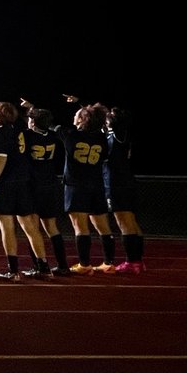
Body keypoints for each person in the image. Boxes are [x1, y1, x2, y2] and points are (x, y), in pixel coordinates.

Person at [0, 98, 52, 281]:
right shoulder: (20, 128)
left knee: (7, 228)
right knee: (31, 227)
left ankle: (13, 271)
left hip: (6, 184)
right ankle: (44, 267)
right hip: (24, 183)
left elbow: (1, 159)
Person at [48, 95, 116, 274]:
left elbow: (47, 124)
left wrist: (31, 110)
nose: (74, 116)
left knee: (80, 227)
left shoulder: (71, 135)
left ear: (82, 119)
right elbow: (96, 118)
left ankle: (85, 265)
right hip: (96, 185)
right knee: (104, 227)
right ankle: (109, 263)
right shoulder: (102, 138)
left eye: (77, 114)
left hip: (76, 185)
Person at [19, 104, 71, 275]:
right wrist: (34, 109)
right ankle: (63, 265)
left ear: (33, 122)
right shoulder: (53, 136)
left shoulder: (27, 135)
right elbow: (44, 122)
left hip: (33, 186)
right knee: (52, 228)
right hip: (50, 184)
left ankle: (39, 265)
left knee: (32, 229)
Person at [106, 107, 147, 273]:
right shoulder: (116, 134)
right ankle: (138, 260)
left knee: (125, 222)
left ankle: (132, 261)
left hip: (117, 183)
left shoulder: (119, 134)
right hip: (126, 181)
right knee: (132, 222)